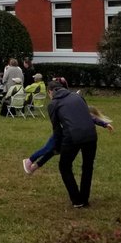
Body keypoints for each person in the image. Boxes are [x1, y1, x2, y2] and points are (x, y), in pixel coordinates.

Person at [46, 80, 100, 208]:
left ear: (50, 91)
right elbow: (87, 115)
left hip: (72, 136)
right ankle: (84, 199)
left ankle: (77, 200)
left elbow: (57, 129)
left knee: (64, 166)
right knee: (87, 167)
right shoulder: (77, 96)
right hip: (91, 135)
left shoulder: (53, 104)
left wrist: (56, 148)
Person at [25, 104, 113, 175]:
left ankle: (33, 168)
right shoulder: (76, 113)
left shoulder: (85, 118)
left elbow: (94, 120)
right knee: (47, 150)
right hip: (58, 137)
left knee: (51, 153)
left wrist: (105, 124)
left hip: (66, 140)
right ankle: (29, 160)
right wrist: (105, 124)